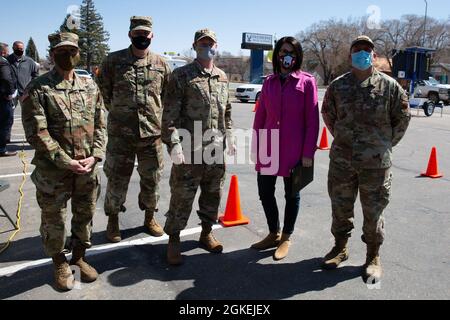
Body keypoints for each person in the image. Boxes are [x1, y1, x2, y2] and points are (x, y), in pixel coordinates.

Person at [321, 36, 411, 282]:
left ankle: (373, 256)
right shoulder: (338, 86)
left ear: (373, 55)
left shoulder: (390, 87)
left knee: (373, 212)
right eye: (357, 49)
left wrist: (384, 144)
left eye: (367, 50)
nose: (362, 53)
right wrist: (343, 138)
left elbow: (402, 118)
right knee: (340, 208)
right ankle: (340, 248)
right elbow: (328, 114)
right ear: (350, 56)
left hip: (376, 164)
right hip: (342, 161)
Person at [21, 32, 107, 291]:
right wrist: (65, 160)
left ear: (78, 52)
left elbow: (101, 122)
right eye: (61, 51)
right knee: (54, 219)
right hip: (54, 171)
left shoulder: (89, 85)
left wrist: (97, 154)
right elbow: (37, 132)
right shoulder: (38, 88)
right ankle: (59, 261)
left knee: (85, 213)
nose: (67, 55)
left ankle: (79, 257)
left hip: (87, 168)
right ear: (52, 54)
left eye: (71, 50)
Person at [162, 29, 235, 266]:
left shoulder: (222, 76)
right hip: (189, 149)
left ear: (217, 45)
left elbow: (227, 111)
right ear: (194, 46)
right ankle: (174, 240)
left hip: (215, 150)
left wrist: (230, 137)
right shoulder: (182, 76)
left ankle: (206, 232)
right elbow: (169, 115)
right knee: (182, 197)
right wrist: (174, 144)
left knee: (213, 193)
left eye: (211, 43)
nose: (207, 47)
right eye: (202, 44)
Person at [97, 16, 171, 243]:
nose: (141, 38)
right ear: (130, 35)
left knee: (152, 179)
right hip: (121, 136)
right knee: (117, 179)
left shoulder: (161, 64)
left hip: (152, 136)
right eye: (137, 34)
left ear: (152, 35)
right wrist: (121, 115)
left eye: (145, 34)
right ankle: (113, 221)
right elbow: (103, 94)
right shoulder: (113, 61)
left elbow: (167, 98)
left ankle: (150, 217)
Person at [251, 37, 320, 261]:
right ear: (276, 55)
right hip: (269, 146)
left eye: (291, 52)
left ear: (297, 55)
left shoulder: (307, 82)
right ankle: (274, 232)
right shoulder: (269, 82)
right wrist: (256, 146)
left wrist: (308, 153)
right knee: (265, 192)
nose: (286, 56)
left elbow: (312, 121)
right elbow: (260, 116)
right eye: (282, 51)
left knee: (292, 194)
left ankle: (286, 237)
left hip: (294, 150)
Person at [0, 43, 17, 157]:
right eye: (7, 51)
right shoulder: (3, 62)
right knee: (5, 122)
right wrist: (9, 92)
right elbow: (6, 78)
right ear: (3, 52)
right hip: (2, 97)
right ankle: (1, 149)